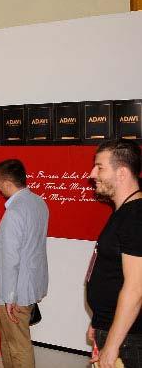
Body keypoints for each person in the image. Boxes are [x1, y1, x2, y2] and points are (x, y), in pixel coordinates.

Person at [0, 159, 49, 368]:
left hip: (15, 293)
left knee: (18, 345)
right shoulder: (39, 203)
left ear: (7, 183)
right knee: (8, 340)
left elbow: (10, 258)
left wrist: (9, 296)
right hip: (27, 287)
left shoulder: (15, 211)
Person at [86, 139, 142, 368]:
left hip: (128, 340)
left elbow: (136, 288)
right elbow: (113, 274)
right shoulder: (124, 213)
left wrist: (112, 344)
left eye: (100, 167)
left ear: (121, 173)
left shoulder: (135, 217)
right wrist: (98, 321)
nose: (92, 174)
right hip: (112, 330)